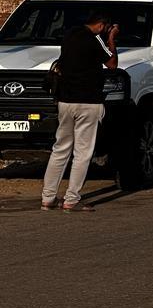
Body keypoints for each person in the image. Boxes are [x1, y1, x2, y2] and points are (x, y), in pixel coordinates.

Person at [41, 11, 118, 212]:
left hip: (65, 100)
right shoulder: (95, 39)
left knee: (60, 149)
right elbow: (112, 64)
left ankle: (48, 197)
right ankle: (71, 199)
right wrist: (111, 38)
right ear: (101, 25)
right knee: (83, 152)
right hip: (88, 101)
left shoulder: (69, 35)